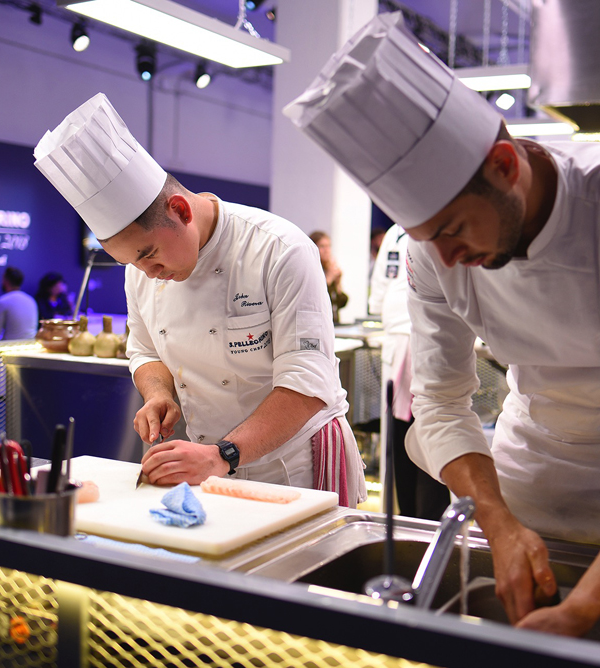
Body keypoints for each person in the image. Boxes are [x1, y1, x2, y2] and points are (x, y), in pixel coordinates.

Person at [286, 13, 600, 636]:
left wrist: (582, 608)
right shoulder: (431, 250)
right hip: (523, 481)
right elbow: (439, 404)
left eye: (452, 230)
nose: (444, 258)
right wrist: (496, 519)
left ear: (504, 164)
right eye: (425, 239)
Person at [34, 93, 366, 506]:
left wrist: (223, 454)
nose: (146, 273)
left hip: (294, 465)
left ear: (180, 211)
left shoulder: (279, 249)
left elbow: (306, 382)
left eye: (148, 254)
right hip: (205, 462)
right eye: (130, 263)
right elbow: (144, 350)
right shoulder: (141, 272)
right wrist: (159, 394)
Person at [369, 223, 451, 520]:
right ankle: (422, 519)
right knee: (429, 429)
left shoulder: (395, 232)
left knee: (411, 432)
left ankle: (414, 517)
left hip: (406, 340)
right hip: (427, 337)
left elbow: (378, 295)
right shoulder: (422, 227)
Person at [309, 231, 348, 324]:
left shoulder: (329, 268)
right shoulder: (311, 269)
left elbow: (340, 303)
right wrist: (329, 279)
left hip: (333, 323)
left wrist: (338, 283)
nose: (327, 250)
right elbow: (315, 299)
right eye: (322, 246)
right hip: (318, 323)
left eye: (329, 246)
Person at [0, 266, 39, 340]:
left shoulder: (3, 301)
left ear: (5, 281)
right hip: (31, 345)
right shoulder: (31, 300)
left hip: (10, 347)